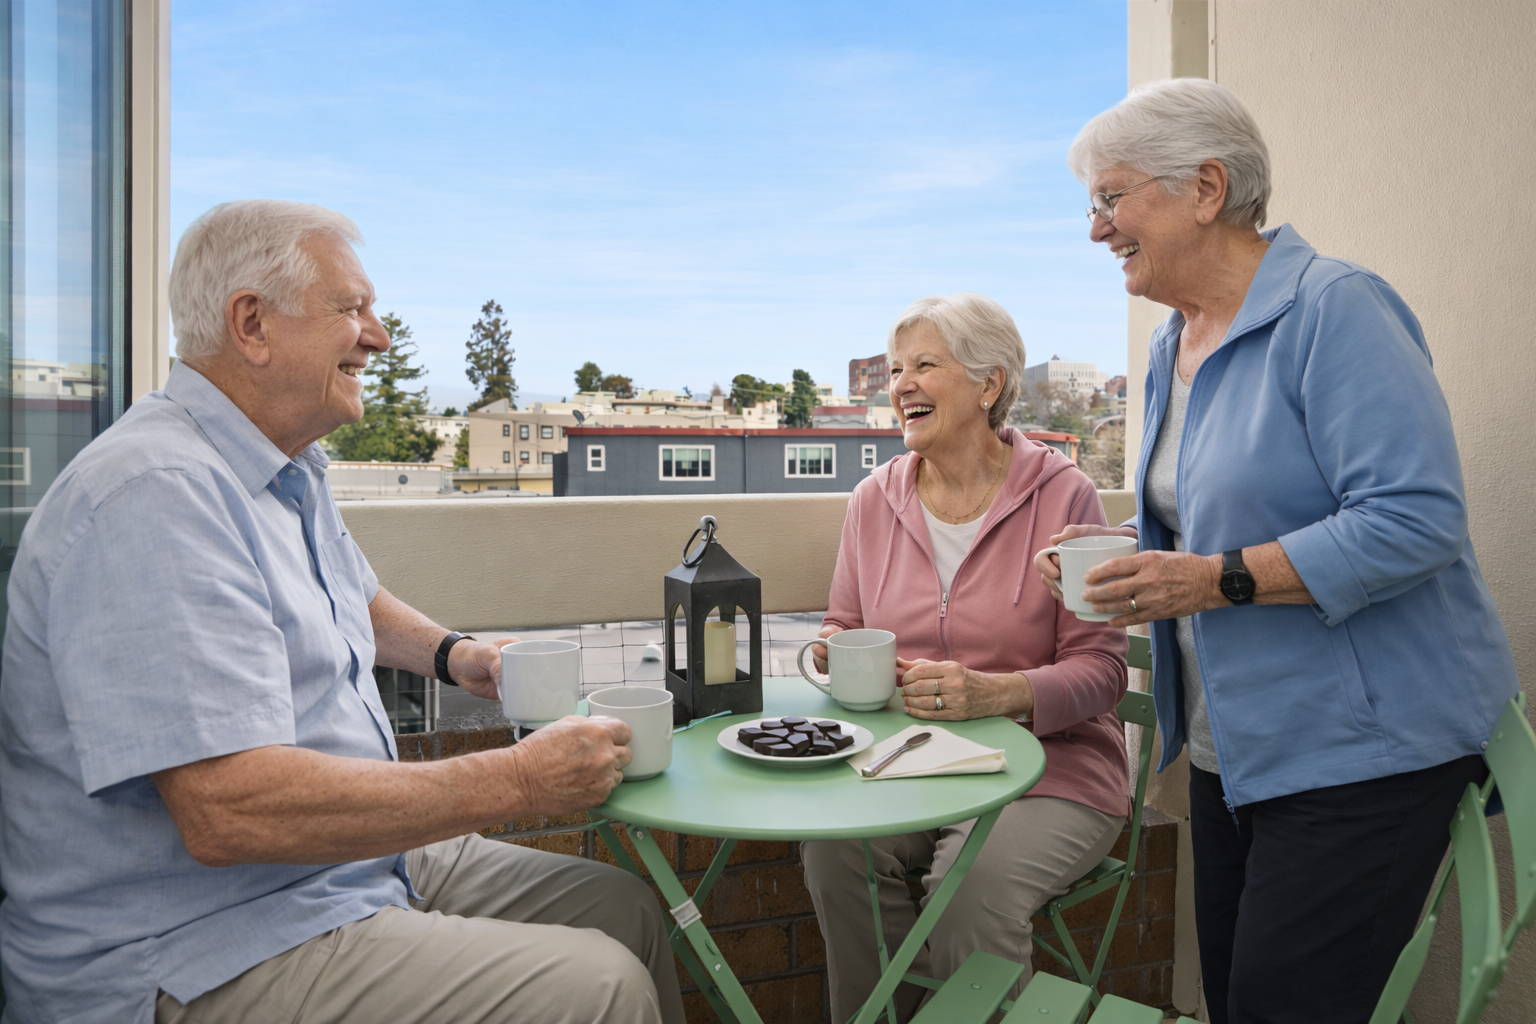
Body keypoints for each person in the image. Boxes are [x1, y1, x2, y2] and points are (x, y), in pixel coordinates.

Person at [0, 200, 686, 1024]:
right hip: (195, 940)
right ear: (252, 323)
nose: (380, 336)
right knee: (599, 985)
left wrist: (459, 656)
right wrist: (519, 779)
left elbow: (349, 594)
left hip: (329, 871)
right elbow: (228, 809)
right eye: (352, 309)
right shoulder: (155, 494)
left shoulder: (282, 462)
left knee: (625, 913)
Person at [1037, 79, 1520, 1024]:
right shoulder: (1173, 342)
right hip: (1233, 748)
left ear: (1206, 188)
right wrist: (1124, 554)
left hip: (1360, 755)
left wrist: (1211, 579)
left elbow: (1414, 519)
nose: (1096, 229)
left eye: (1111, 198)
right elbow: (1208, 516)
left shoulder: (1335, 310)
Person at [800, 293, 1130, 1022]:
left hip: (1053, 766)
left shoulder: (1064, 495)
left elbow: (1103, 671)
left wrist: (1000, 695)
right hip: (908, 755)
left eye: (925, 365)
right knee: (835, 854)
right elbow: (842, 623)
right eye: (894, 370)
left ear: (989, 384)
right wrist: (833, 657)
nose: (901, 384)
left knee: (967, 890)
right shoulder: (871, 500)